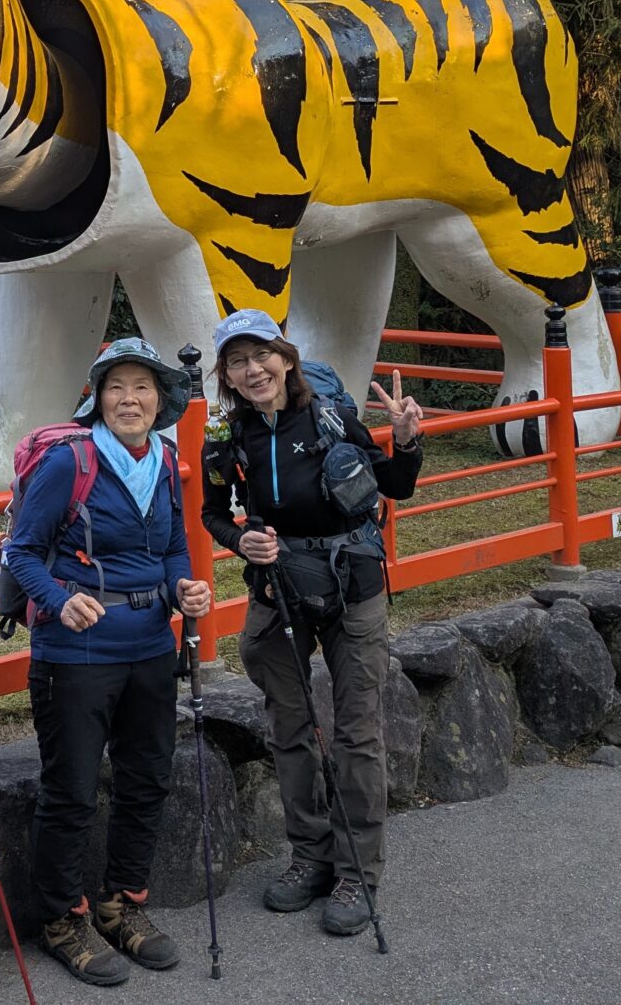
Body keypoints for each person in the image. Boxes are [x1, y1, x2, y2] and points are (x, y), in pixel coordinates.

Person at [199, 309, 423, 937]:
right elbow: (213, 511)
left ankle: (359, 870)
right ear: (228, 376)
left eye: (261, 355)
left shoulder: (327, 416)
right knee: (289, 727)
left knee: (356, 732)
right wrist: (242, 540)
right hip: (278, 586)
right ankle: (310, 854)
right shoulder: (227, 435)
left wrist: (404, 439)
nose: (253, 369)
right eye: (237, 361)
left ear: (286, 358)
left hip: (353, 585)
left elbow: (394, 487)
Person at [0, 337, 215, 987]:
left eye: (142, 387)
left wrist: (185, 588)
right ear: (97, 397)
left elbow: (175, 546)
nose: (130, 398)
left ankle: (122, 902)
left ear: (160, 399)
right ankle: (63, 919)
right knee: (70, 792)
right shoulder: (71, 463)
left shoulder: (166, 458)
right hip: (78, 653)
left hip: (150, 645)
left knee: (147, 778)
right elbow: (23, 553)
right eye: (116, 386)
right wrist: (60, 601)